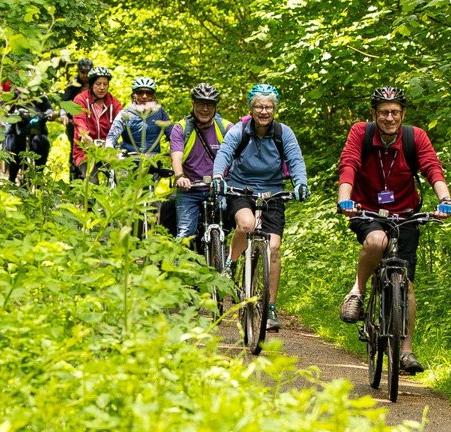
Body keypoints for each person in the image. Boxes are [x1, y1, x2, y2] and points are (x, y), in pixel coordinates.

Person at [336, 85, 451, 375]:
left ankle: (405, 352)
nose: (390, 118)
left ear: (403, 114)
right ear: (374, 113)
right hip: (367, 209)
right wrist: (344, 199)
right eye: (384, 112)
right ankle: (357, 291)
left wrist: (445, 200)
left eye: (395, 112)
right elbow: (348, 165)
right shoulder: (361, 132)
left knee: (407, 283)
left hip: (406, 214)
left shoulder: (415, 137)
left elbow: (432, 168)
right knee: (376, 241)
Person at [212, 83, 309, 333]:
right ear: (251, 109)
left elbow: (295, 160)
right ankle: (231, 264)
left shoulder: (283, 133)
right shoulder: (239, 131)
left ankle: (271, 307)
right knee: (246, 224)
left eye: (268, 107)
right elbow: (224, 154)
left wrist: (300, 183)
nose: (263, 111)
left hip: (272, 192)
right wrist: (218, 176)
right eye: (258, 107)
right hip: (241, 189)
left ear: (274, 109)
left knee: (273, 248)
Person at [105, 77, 174, 230]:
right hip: (129, 162)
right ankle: (123, 226)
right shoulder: (125, 113)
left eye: (148, 93)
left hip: (152, 162)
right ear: (134, 95)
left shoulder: (160, 113)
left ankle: (154, 227)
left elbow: (173, 135)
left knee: (155, 198)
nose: (144, 96)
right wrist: (109, 150)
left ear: (153, 96)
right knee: (127, 198)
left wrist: (177, 152)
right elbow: (112, 136)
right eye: (140, 93)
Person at [169, 83, 232, 241]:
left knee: (230, 219)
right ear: (193, 104)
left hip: (218, 188)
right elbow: (176, 156)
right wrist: (179, 176)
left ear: (215, 107)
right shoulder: (182, 128)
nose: (205, 109)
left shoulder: (226, 128)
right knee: (185, 234)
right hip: (190, 188)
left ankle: (224, 252)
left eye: (209, 105)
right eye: (201, 104)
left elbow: (238, 157)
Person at [70, 66, 122, 180]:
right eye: (98, 84)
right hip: (85, 152)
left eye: (105, 84)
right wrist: (84, 136)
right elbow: (79, 120)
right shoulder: (80, 100)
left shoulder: (114, 103)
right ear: (91, 84)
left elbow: (123, 121)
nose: (102, 88)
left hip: (107, 150)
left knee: (121, 177)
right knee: (92, 182)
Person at [60, 59, 94, 179]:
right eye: (83, 72)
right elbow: (64, 102)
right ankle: (74, 175)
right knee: (76, 148)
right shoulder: (73, 86)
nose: (85, 75)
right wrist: (63, 115)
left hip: (92, 123)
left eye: (88, 72)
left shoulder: (96, 85)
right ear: (79, 72)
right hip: (74, 123)